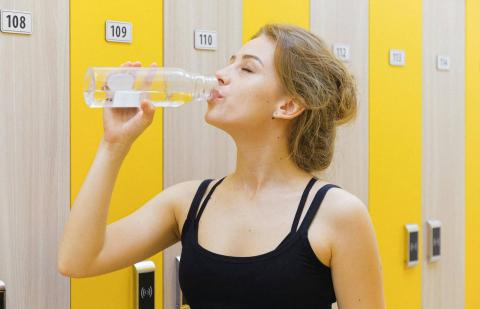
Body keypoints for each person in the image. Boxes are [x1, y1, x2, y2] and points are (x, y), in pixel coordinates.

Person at [58, 24, 385, 308]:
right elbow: (78, 260)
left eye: (247, 69)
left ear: (287, 105)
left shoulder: (338, 214)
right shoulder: (188, 203)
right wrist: (114, 144)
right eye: (230, 63)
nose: (220, 75)